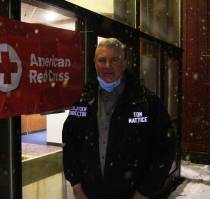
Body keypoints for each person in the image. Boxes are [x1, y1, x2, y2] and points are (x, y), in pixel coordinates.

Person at [62, 38, 176, 199]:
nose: (107, 66)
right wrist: (76, 184)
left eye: (114, 60)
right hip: (90, 194)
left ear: (124, 63)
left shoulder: (145, 102)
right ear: (95, 63)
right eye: (102, 60)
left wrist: (145, 191)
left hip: (132, 194)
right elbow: (70, 143)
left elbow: (166, 149)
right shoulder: (83, 100)